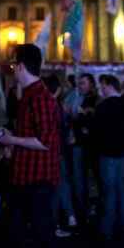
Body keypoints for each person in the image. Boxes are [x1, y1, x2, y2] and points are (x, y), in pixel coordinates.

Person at [0, 44, 60, 248]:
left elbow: (45, 141)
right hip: (24, 179)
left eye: (14, 64)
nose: (12, 69)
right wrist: (11, 137)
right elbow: (31, 134)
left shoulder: (40, 97)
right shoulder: (30, 95)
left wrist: (11, 139)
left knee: (42, 235)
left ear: (21, 66)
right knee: (10, 232)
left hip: (37, 182)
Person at [93, 74, 124, 239]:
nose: (100, 88)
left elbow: (96, 131)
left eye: (102, 85)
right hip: (122, 153)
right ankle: (123, 225)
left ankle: (106, 229)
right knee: (121, 189)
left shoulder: (104, 107)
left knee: (109, 191)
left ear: (108, 85)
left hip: (107, 154)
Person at [43, 74, 76, 237]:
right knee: (57, 189)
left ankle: (57, 223)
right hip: (58, 153)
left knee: (54, 189)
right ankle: (56, 225)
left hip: (49, 153)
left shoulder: (45, 105)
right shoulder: (56, 106)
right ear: (57, 89)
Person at [64, 73, 97, 218]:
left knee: (82, 179)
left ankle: (84, 210)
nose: (80, 86)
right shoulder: (78, 98)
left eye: (83, 83)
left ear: (91, 85)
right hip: (75, 143)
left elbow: (91, 127)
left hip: (85, 145)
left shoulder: (94, 101)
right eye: (80, 83)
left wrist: (76, 138)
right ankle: (80, 209)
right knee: (78, 179)